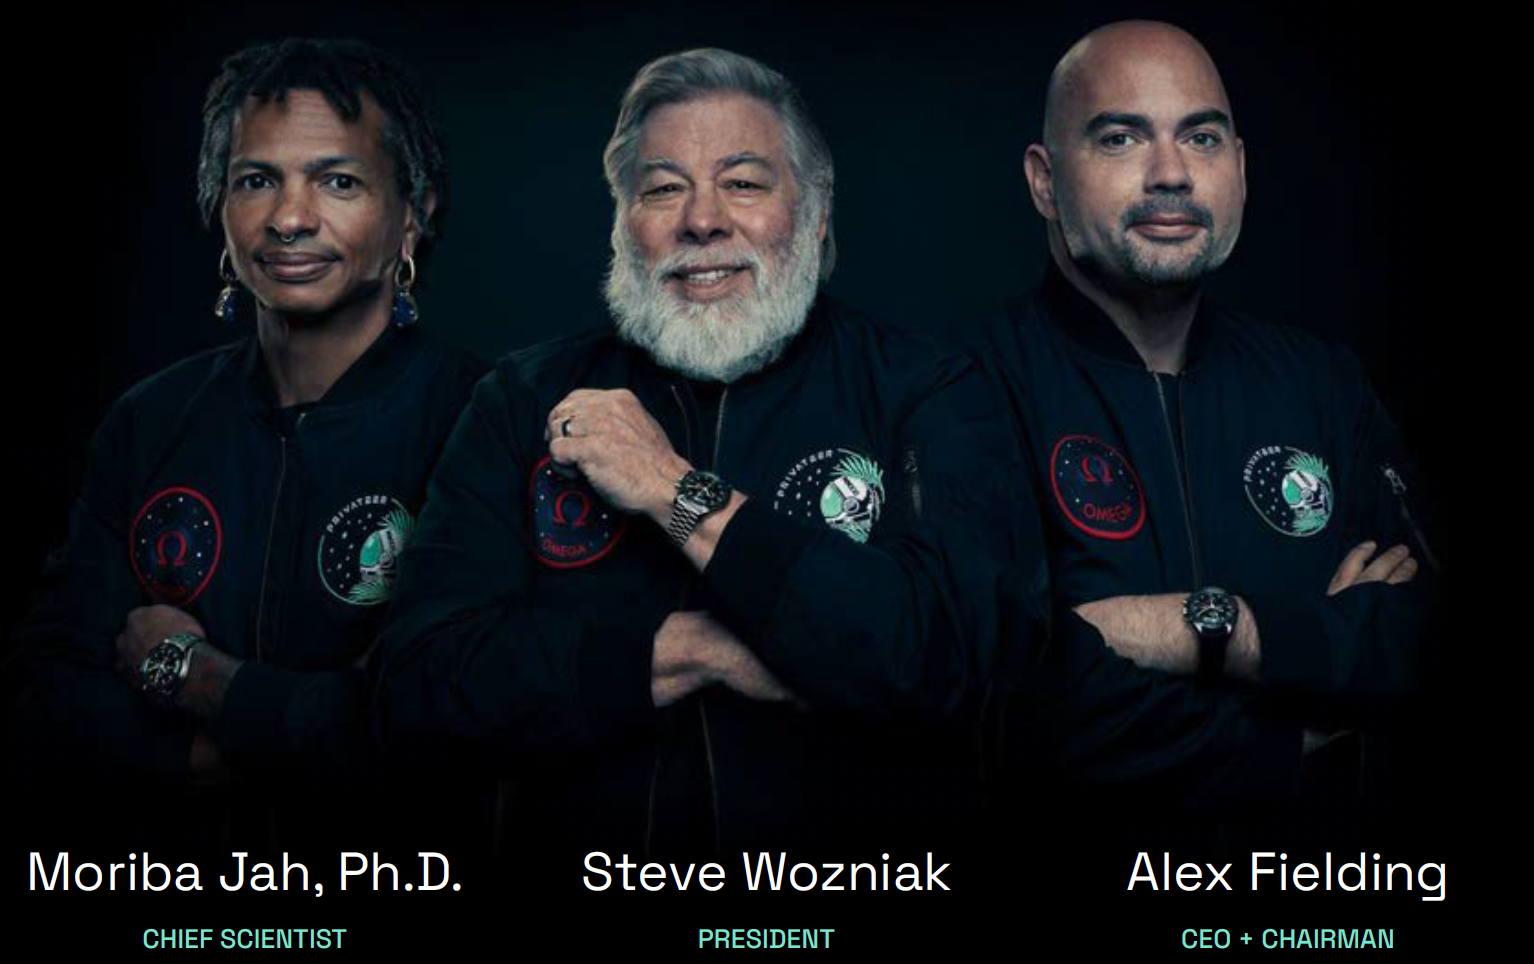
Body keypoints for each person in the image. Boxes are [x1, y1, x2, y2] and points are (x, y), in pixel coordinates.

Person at [377, 48, 1029, 857]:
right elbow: (419, 682)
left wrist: (673, 490)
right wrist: (690, 651)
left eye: (744, 182)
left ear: (817, 214)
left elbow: (959, 662)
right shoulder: (520, 398)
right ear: (622, 223)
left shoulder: (925, 390)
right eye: (662, 188)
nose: (702, 219)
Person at [8, 38, 486, 856]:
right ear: (218, 210)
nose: (290, 218)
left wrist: (189, 675)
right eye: (256, 180)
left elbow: (452, 715)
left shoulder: (484, 418)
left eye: (339, 181)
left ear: (415, 211)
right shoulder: (149, 421)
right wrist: (229, 751)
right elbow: (49, 689)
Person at [971, 21, 1439, 841]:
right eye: (1120, 138)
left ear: (1242, 170)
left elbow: (1421, 632)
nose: (1172, 174)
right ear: (1045, 182)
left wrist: (1207, 628)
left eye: (1202, 137)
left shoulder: (1322, 383)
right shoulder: (966, 386)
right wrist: (1290, 729)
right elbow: (1002, 691)